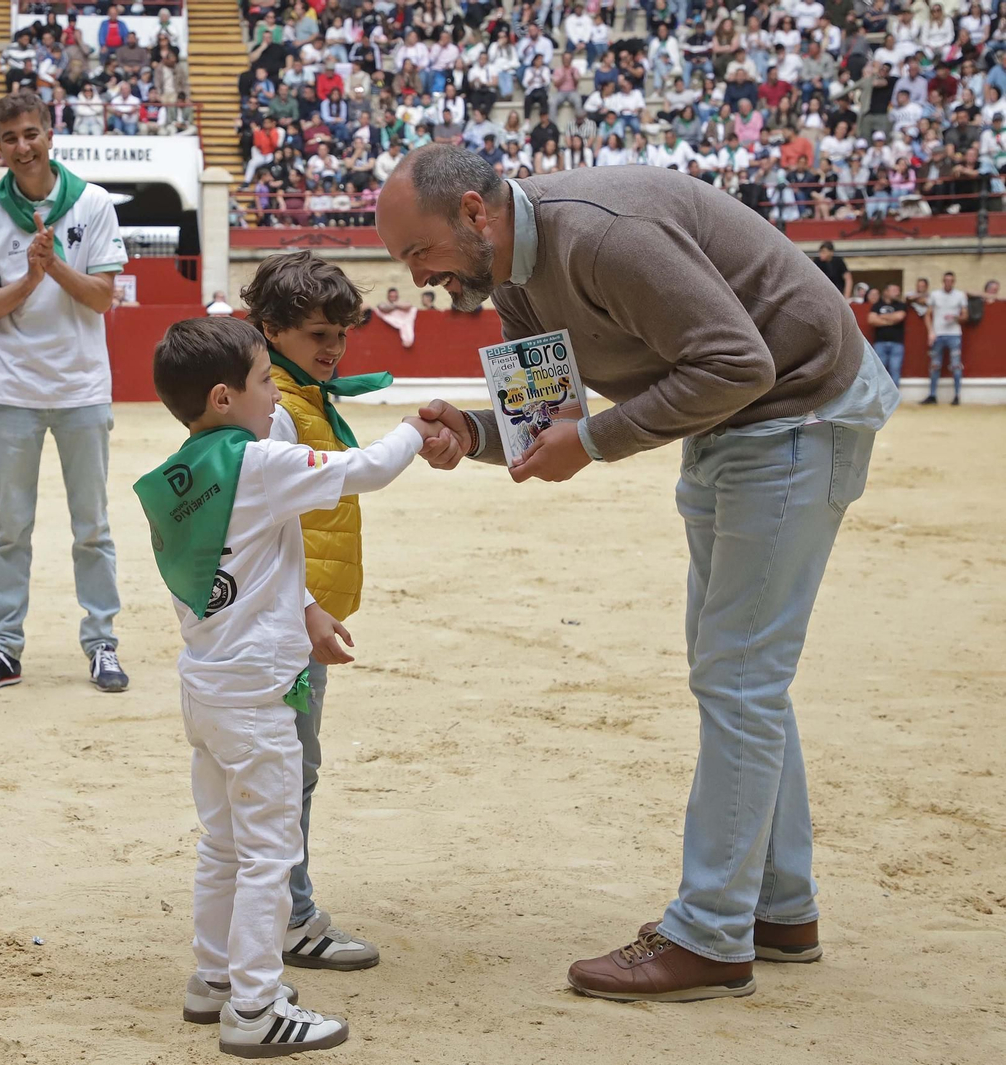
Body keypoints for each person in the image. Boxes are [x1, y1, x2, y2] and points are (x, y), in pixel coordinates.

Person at [378, 146, 900, 1002]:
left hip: (797, 412)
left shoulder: (605, 233)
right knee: (741, 673)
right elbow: (544, 423)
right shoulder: (510, 282)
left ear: (475, 213)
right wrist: (470, 435)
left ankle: (712, 935)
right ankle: (779, 907)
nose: (421, 278)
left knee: (738, 675)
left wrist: (590, 444)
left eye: (419, 253)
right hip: (734, 429)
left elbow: (740, 364)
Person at [135, 316, 443, 1057]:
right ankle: (255, 1004)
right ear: (221, 397)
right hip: (258, 695)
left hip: (207, 685)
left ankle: (214, 979)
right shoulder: (259, 464)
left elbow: (248, 561)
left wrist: (302, 607)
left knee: (224, 845)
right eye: (266, 380)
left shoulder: (185, 474)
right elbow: (364, 469)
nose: (277, 393)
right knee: (270, 851)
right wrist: (411, 429)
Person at [243, 250, 422, 973]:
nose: (333, 348)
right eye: (318, 333)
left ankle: (269, 911)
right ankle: (291, 917)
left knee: (280, 769)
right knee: (289, 770)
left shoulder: (286, 399)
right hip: (285, 628)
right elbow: (269, 536)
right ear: (271, 329)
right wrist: (309, 608)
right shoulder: (280, 413)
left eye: (340, 334)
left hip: (287, 618)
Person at [0, 93, 130, 695]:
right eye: (10, 138)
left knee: (93, 526)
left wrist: (51, 266)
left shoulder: (93, 203)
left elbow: (104, 297)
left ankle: (102, 642)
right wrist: (31, 276)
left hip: (82, 387)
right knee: (12, 527)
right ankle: (4, 646)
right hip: (13, 391)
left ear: (50, 134)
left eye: (31, 133)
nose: (23, 146)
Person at [921, 271, 968, 405]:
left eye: (951, 280)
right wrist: (931, 332)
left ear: (954, 282)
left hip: (954, 334)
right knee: (935, 365)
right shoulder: (935, 295)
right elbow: (927, 315)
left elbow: (965, 316)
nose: (948, 283)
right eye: (946, 280)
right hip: (938, 333)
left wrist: (955, 317)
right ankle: (932, 395)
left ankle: (957, 396)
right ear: (943, 281)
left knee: (956, 365)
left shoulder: (960, 295)